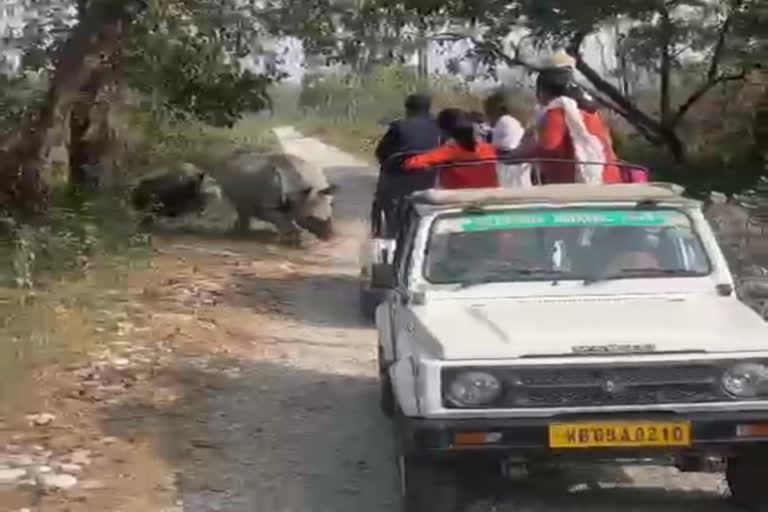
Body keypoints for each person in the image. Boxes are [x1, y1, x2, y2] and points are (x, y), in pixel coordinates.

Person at [505, 67, 621, 185]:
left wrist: (516, 155)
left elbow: (549, 145)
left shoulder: (558, 110)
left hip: (578, 186)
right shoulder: (590, 111)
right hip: (608, 178)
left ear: (543, 92)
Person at [372, 94, 442, 236]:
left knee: (384, 195)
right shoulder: (439, 127)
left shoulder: (398, 126)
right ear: (429, 108)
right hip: (430, 177)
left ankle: (384, 231)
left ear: (407, 109)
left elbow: (381, 152)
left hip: (399, 178)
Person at [403, 112, 498, 189]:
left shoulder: (449, 151)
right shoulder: (490, 148)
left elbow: (410, 163)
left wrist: (428, 166)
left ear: (444, 131)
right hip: (491, 198)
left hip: (458, 200)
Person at [483, 90, 530, 188]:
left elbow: (507, 148)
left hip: (510, 179)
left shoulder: (505, 122)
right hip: (519, 178)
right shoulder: (514, 123)